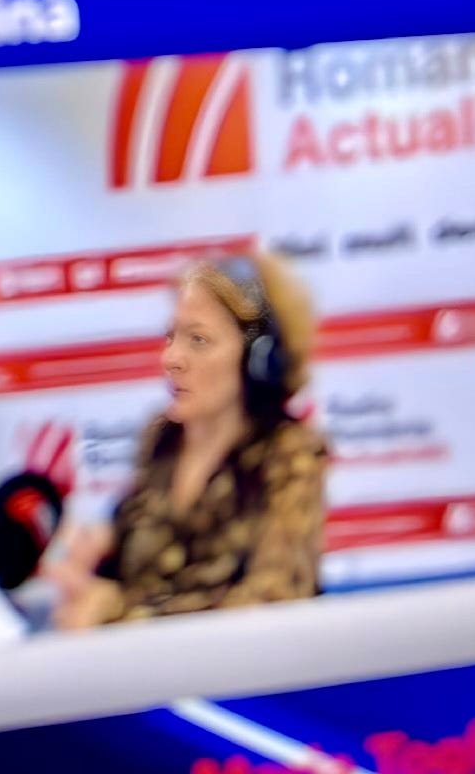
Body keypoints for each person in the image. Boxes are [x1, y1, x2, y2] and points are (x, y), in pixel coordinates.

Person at [55, 250, 325, 626]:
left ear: (257, 359)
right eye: (172, 336)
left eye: (198, 340)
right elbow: (125, 564)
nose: (171, 359)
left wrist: (117, 613)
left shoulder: (289, 453)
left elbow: (275, 601)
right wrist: (87, 567)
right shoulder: (162, 439)